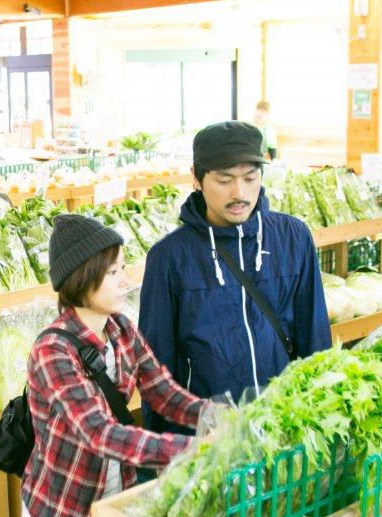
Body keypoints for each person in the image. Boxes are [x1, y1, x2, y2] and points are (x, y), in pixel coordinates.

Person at [19, 213, 206, 517]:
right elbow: (99, 434)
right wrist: (191, 449)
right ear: (82, 280)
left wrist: (213, 415)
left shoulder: (121, 329)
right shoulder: (53, 351)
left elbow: (164, 392)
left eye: (123, 269)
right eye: (113, 273)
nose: (125, 281)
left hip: (113, 511)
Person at [138, 121, 330, 436]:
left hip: (284, 423)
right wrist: (166, 452)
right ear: (196, 179)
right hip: (208, 437)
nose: (239, 193)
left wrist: (318, 419)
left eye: (250, 178)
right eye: (224, 180)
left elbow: (315, 338)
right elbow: (157, 370)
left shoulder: (293, 238)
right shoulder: (170, 258)